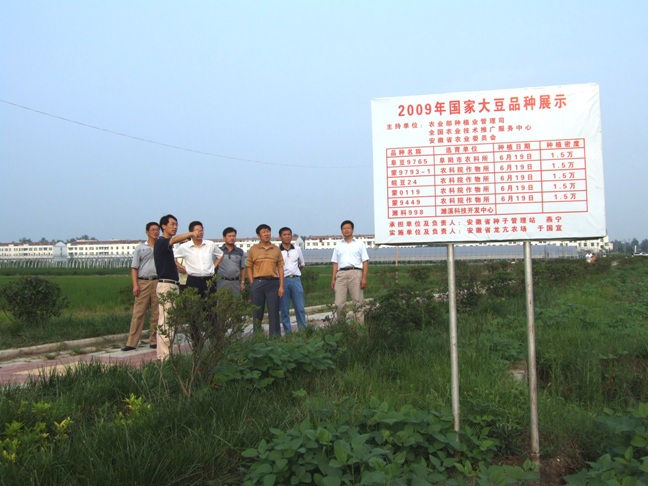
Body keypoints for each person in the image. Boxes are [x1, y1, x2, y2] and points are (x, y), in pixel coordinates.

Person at [154, 214, 199, 360]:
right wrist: (191, 234)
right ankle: (164, 357)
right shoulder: (161, 242)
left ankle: (165, 355)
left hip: (172, 284)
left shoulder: (168, 246)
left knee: (169, 321)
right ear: (163, 226)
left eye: (176, 224)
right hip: (166, 285)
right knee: (166, 322)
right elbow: (173, 240)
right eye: (172, 224)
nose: (175, 227)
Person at [174, 221, 224, 348]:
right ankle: (197, 343)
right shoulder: (185, 247)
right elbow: (173, 257)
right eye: (197, 230)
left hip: (209, 281)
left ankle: (215, 342)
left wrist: (214, 266)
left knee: (211, 311)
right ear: (191, 232)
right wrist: (183, 268)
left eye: (201, 230)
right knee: (194, 312)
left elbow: (220, 255)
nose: (200, 232)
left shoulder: (210, 244)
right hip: (193, 280)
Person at [121, 222, 160, 351]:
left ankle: (154, 340)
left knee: (156, 313)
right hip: (143, 282)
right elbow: (134, 268)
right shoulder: (140, 248)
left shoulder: (161, 246)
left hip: (157, 281)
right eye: (153, 230)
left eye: (157, 230)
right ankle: (132, 342)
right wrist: (135, 285)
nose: (155, 232)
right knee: (138, 313)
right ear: (147, 232)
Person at [246, 224, 284, 336]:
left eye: (268, 231)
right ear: (259, 235)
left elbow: (280, 268)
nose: (266, 234)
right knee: (257, 312)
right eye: (264, 232)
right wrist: (252, 283)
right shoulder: (253, 249)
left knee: (274, 312)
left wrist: (281, 286)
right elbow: (249, 267)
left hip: (273, 283)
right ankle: (257, 337)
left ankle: (275, 337)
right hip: (258, 283)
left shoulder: (276, 249)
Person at [331, 220, 369, 323]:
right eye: (344, 228)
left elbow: (365, 261)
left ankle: (360, 327)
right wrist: (333, 278)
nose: (346, 230)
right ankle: (341, 326)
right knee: (338, 304)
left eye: (348, 228)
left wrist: (364, 278)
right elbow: (335, 263)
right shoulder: (338, 246)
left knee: (358, 302)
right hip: (341, 274)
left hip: (355, 273)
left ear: (352, 229)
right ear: (341, 231)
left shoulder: (359, 244)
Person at [278, 227, 307, 333]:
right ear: (280, 237)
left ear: (291, 236)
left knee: (300, 308)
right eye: (284, 235)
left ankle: (303, 331)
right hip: (282, 281)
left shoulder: (297, 249)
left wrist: (294, 272)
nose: (287, 236)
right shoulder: (277, 251)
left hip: (295, 280)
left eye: (289, 234)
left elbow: (302, 264)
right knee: (284, 309)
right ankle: (288, 333)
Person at [216, 226, 246, 295]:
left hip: (235, 282)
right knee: (222, 301)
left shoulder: (240, 252)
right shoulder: (218, 251)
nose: (232, 238)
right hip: (221, 282)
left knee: (235, 301)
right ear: (224, 238)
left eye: (234, 236)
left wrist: (242, 282)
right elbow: (214, 267)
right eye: (229, 236)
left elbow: (243, 268)